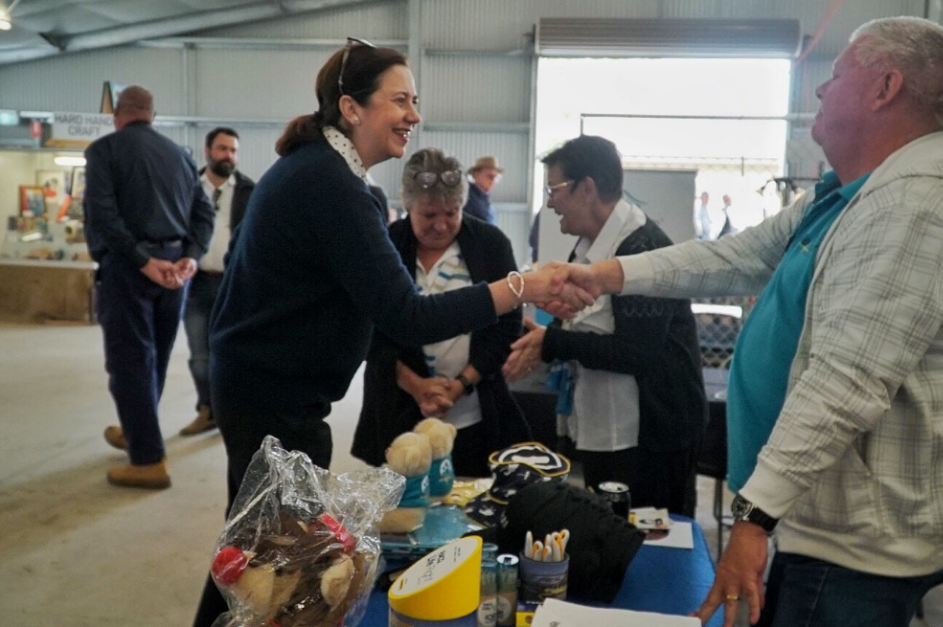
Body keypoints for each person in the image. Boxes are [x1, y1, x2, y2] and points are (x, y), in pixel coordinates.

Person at [549, 17, 943, 627]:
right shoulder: (850, 195)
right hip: (820, 515)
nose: (819, 90)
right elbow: (733, 256)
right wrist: (607, 275)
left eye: (838, 74)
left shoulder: (914, 209)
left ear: (885, 88)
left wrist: (754, 515)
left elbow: (846, 383)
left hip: (864, 542)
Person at [191, 40, 587, 627]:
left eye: (415, 100)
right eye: (399, 100)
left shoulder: (323, 173)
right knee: (268, 568)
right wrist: (522, 285)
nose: (414, 114)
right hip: (274, 398)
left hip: (270, 389)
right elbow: (406, 315)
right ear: (351, 108)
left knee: (260, 559)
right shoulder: (333, 186)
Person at [503, 135, 707, 516]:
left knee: (649, 549)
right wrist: (555, 319)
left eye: (555, 189)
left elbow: (636, 352)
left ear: (588, 189)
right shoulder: (586, 246)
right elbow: (589, 324)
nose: (549, 202)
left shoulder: (642, 249)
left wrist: (552, 342)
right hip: (606, 427)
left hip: (651, 439)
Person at [353, 147, 529, 477]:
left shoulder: (491, 244)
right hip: (399, 409)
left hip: (473, 411)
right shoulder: (385, 244)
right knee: (402, 513)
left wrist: (462, 383)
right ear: (407, 206)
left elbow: (508, 326)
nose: (442, 225)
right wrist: (416, 385)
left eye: (452, 212)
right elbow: (367, 331)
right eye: (429, 215)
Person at [84, 85, 215, 489]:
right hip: (175, 272)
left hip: (130, 270)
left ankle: (146, 460)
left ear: (118, 115)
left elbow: (103, 214)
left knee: (129, 363)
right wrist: (190, 256)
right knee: (153, 359)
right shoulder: (180, 155)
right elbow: (204, 212)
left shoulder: (104, 151)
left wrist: (142, 261)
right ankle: (137, 430)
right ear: (152, 116)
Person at [179, 127, 255, 437]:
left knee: (234, 356)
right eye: (223, 149)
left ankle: (232, 415)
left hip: (234, 285)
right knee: (200, 357)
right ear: (208, 151)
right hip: (195, 284)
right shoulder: (187, 186)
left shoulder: (249, 190)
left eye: (233, 150)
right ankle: (206, 411)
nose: (229, 156)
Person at [464, 155, 501, 224]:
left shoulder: (484, 200)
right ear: (476, 175)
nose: (493, 181)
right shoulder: (468, 199)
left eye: (495, 177)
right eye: (490, 176)